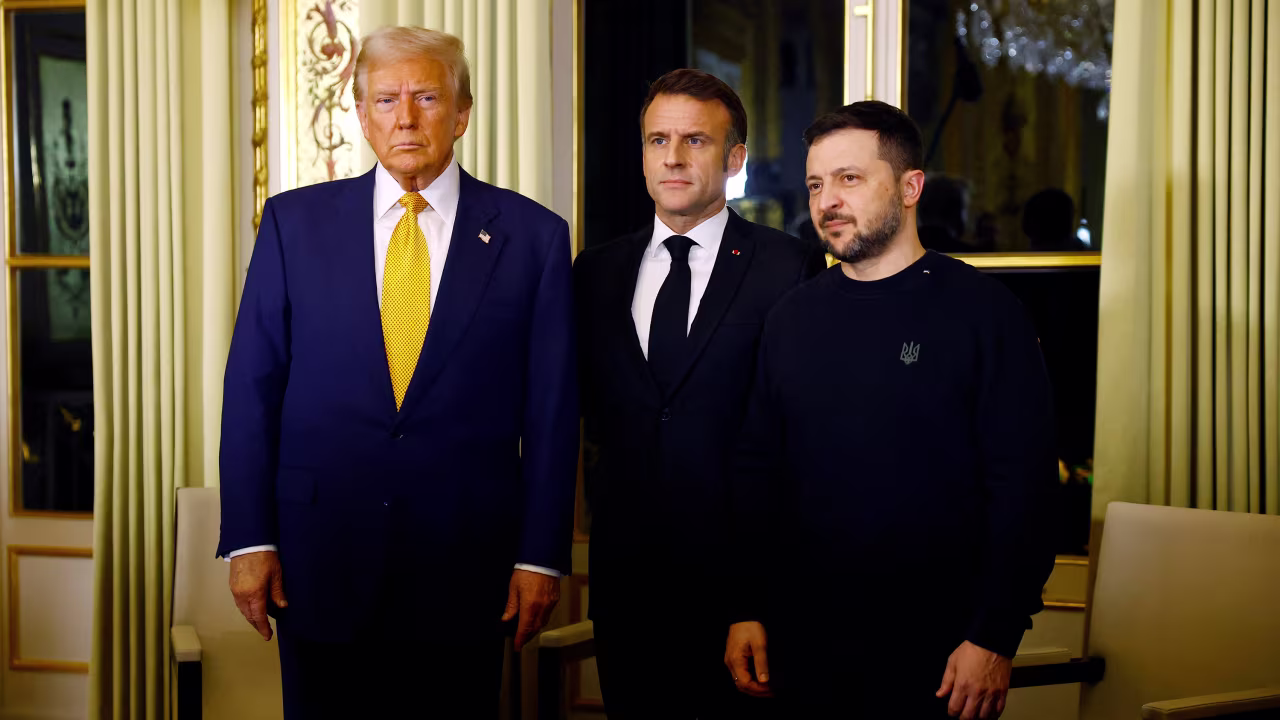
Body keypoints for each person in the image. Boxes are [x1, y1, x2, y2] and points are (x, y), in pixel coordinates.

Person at [217, 26, 578, 719]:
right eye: (385, 99)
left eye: (426, 97)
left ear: (463, 113)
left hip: (466, 569)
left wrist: (540, 557)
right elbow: (251, 387)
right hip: (318, 561)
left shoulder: (534, 238)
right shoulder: (294, 224)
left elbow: (554, 411)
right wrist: (250, 538)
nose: (405, 117)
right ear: (360, 116)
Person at [724, 101, 1057, 719]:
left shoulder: (985, 314)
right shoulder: (792, 319)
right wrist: (746, 606)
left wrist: (993, 635)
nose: (827, 201)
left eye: (850, 178)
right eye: (817, 184)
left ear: (910, 187)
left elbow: (1025, 490)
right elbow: (755, 473)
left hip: (940, 659)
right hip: (803, 651)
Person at [574, 68, 825, 719]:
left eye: (696, 141)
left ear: (734, 157)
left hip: (737, 599)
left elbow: (796, 443)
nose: (674, 158)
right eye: (658, 140)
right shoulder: (595, 272)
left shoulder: (786, 265)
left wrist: (758, 602)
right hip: (627, 588)